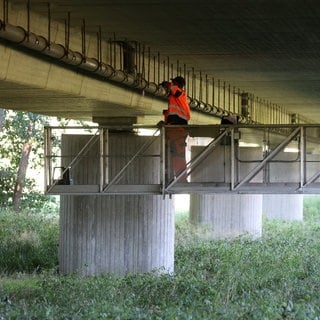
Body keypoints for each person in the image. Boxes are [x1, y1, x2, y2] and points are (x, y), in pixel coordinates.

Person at [160, 76, 190, 182]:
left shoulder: (179, 93)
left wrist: (166, 84)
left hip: (178, 127)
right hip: (175, 127)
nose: (171, 84)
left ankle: (181, 180)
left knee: (177, 153)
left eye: (173, 82)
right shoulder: (177, 98)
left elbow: (173, 89)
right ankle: (170, 178)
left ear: (177, 84)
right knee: (172, 153)